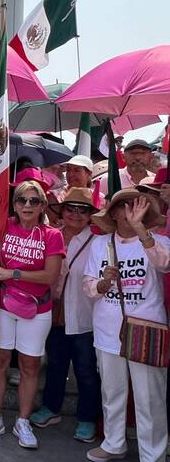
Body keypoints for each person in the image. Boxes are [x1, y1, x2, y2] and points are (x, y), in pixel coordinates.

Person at [83, 190, 169, 462]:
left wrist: (141, 230)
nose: (130, 210)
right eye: (124, 206)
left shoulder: (160, 241)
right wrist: (103, 283)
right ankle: (114, 442)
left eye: (136, 205)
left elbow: (164, 264)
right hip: (108, 330)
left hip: (147, 329)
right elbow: (88, 287)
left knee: (150, 397)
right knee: (112, 391)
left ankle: (153, 454)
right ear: (113, 212)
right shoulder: (99, 244)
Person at [0, 180, 64, 449]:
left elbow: (50, 276)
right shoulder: (6, 226)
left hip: (37, 309)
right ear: (14, 204)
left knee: (29, 366)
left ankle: (23, 420)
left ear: (42, 205)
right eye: (21, 200)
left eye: (33, 201)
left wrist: (13, 273)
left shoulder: (52, 235)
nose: (27, 205)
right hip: (4, 305)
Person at [30, 188, 101, 444]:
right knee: (56, 364)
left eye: (83, 210)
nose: (76, 214)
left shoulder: (98, 241)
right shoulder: (51, 235)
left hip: (84, 314)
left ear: (91, 215)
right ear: (62, 210)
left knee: (85, 369)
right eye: (71, 208)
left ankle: (87, 418)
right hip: (54, 311)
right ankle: (51, 408)